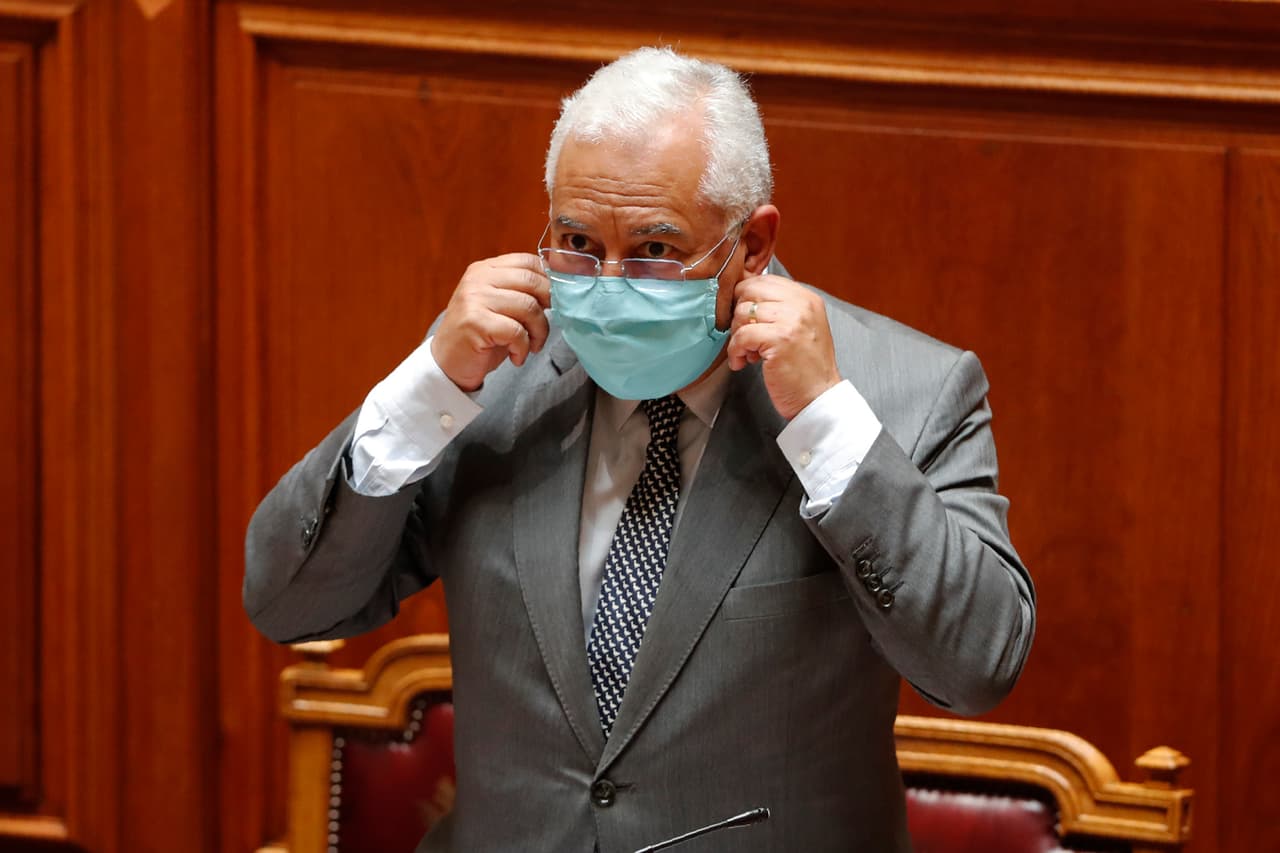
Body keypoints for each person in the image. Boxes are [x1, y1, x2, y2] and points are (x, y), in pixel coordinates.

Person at [244, 46, 1034, 853]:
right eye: (579, 241)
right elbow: (288, 602)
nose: (610, 284)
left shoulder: (905, 391)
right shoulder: (492, 377)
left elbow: (977, 664)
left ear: (752, 245)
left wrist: (827, 420)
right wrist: (426, 388)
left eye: (655, 251)